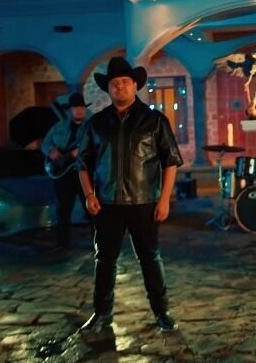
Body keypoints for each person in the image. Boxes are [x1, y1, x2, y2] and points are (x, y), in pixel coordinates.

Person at [77, 56, 184, 333]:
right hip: (107, 203)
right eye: (114, 83)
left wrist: (164, 199)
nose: (120, 86)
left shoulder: (154, 120)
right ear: (108, 88)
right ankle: (101, 313)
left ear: (135, 85)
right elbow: (83, 164)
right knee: (104, 260)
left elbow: (171, 161)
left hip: (144, 202)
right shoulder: (96, 123)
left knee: (150, 258)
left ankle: (162, 312)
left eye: (125, 82)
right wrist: (89, 194)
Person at [41, 92, 91, 249]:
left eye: (81, 107)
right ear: (69, 110)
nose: (79, 110)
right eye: (75, 108)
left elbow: (97, 146)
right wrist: (51, 151)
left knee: (91, 209)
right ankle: (62, 245)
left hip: (84, 174)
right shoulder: (58, 127)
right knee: (63, 210)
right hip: (62, 175)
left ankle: (99, 243)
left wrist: (81, 152)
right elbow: (45, 143)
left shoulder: (90, 128)